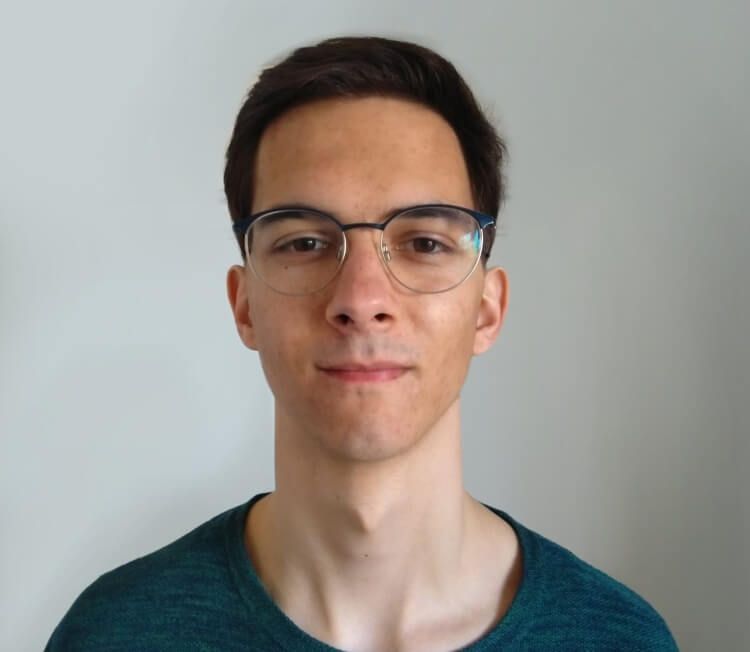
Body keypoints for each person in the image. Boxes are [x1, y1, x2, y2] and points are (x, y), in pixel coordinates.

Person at [46, 36, 678, 651]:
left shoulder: (621, 641)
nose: (361, 298)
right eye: (304, 242)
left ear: (487, 309)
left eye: (424, 242)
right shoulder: (113, 636)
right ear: (244, 306)